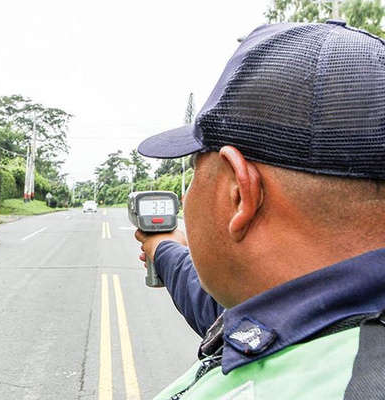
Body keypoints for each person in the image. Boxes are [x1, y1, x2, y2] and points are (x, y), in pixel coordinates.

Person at [134, 21, 385, 399]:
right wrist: (165, 249)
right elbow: (224, 308)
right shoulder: (331, 314)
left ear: (240, 194)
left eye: (194, 169)